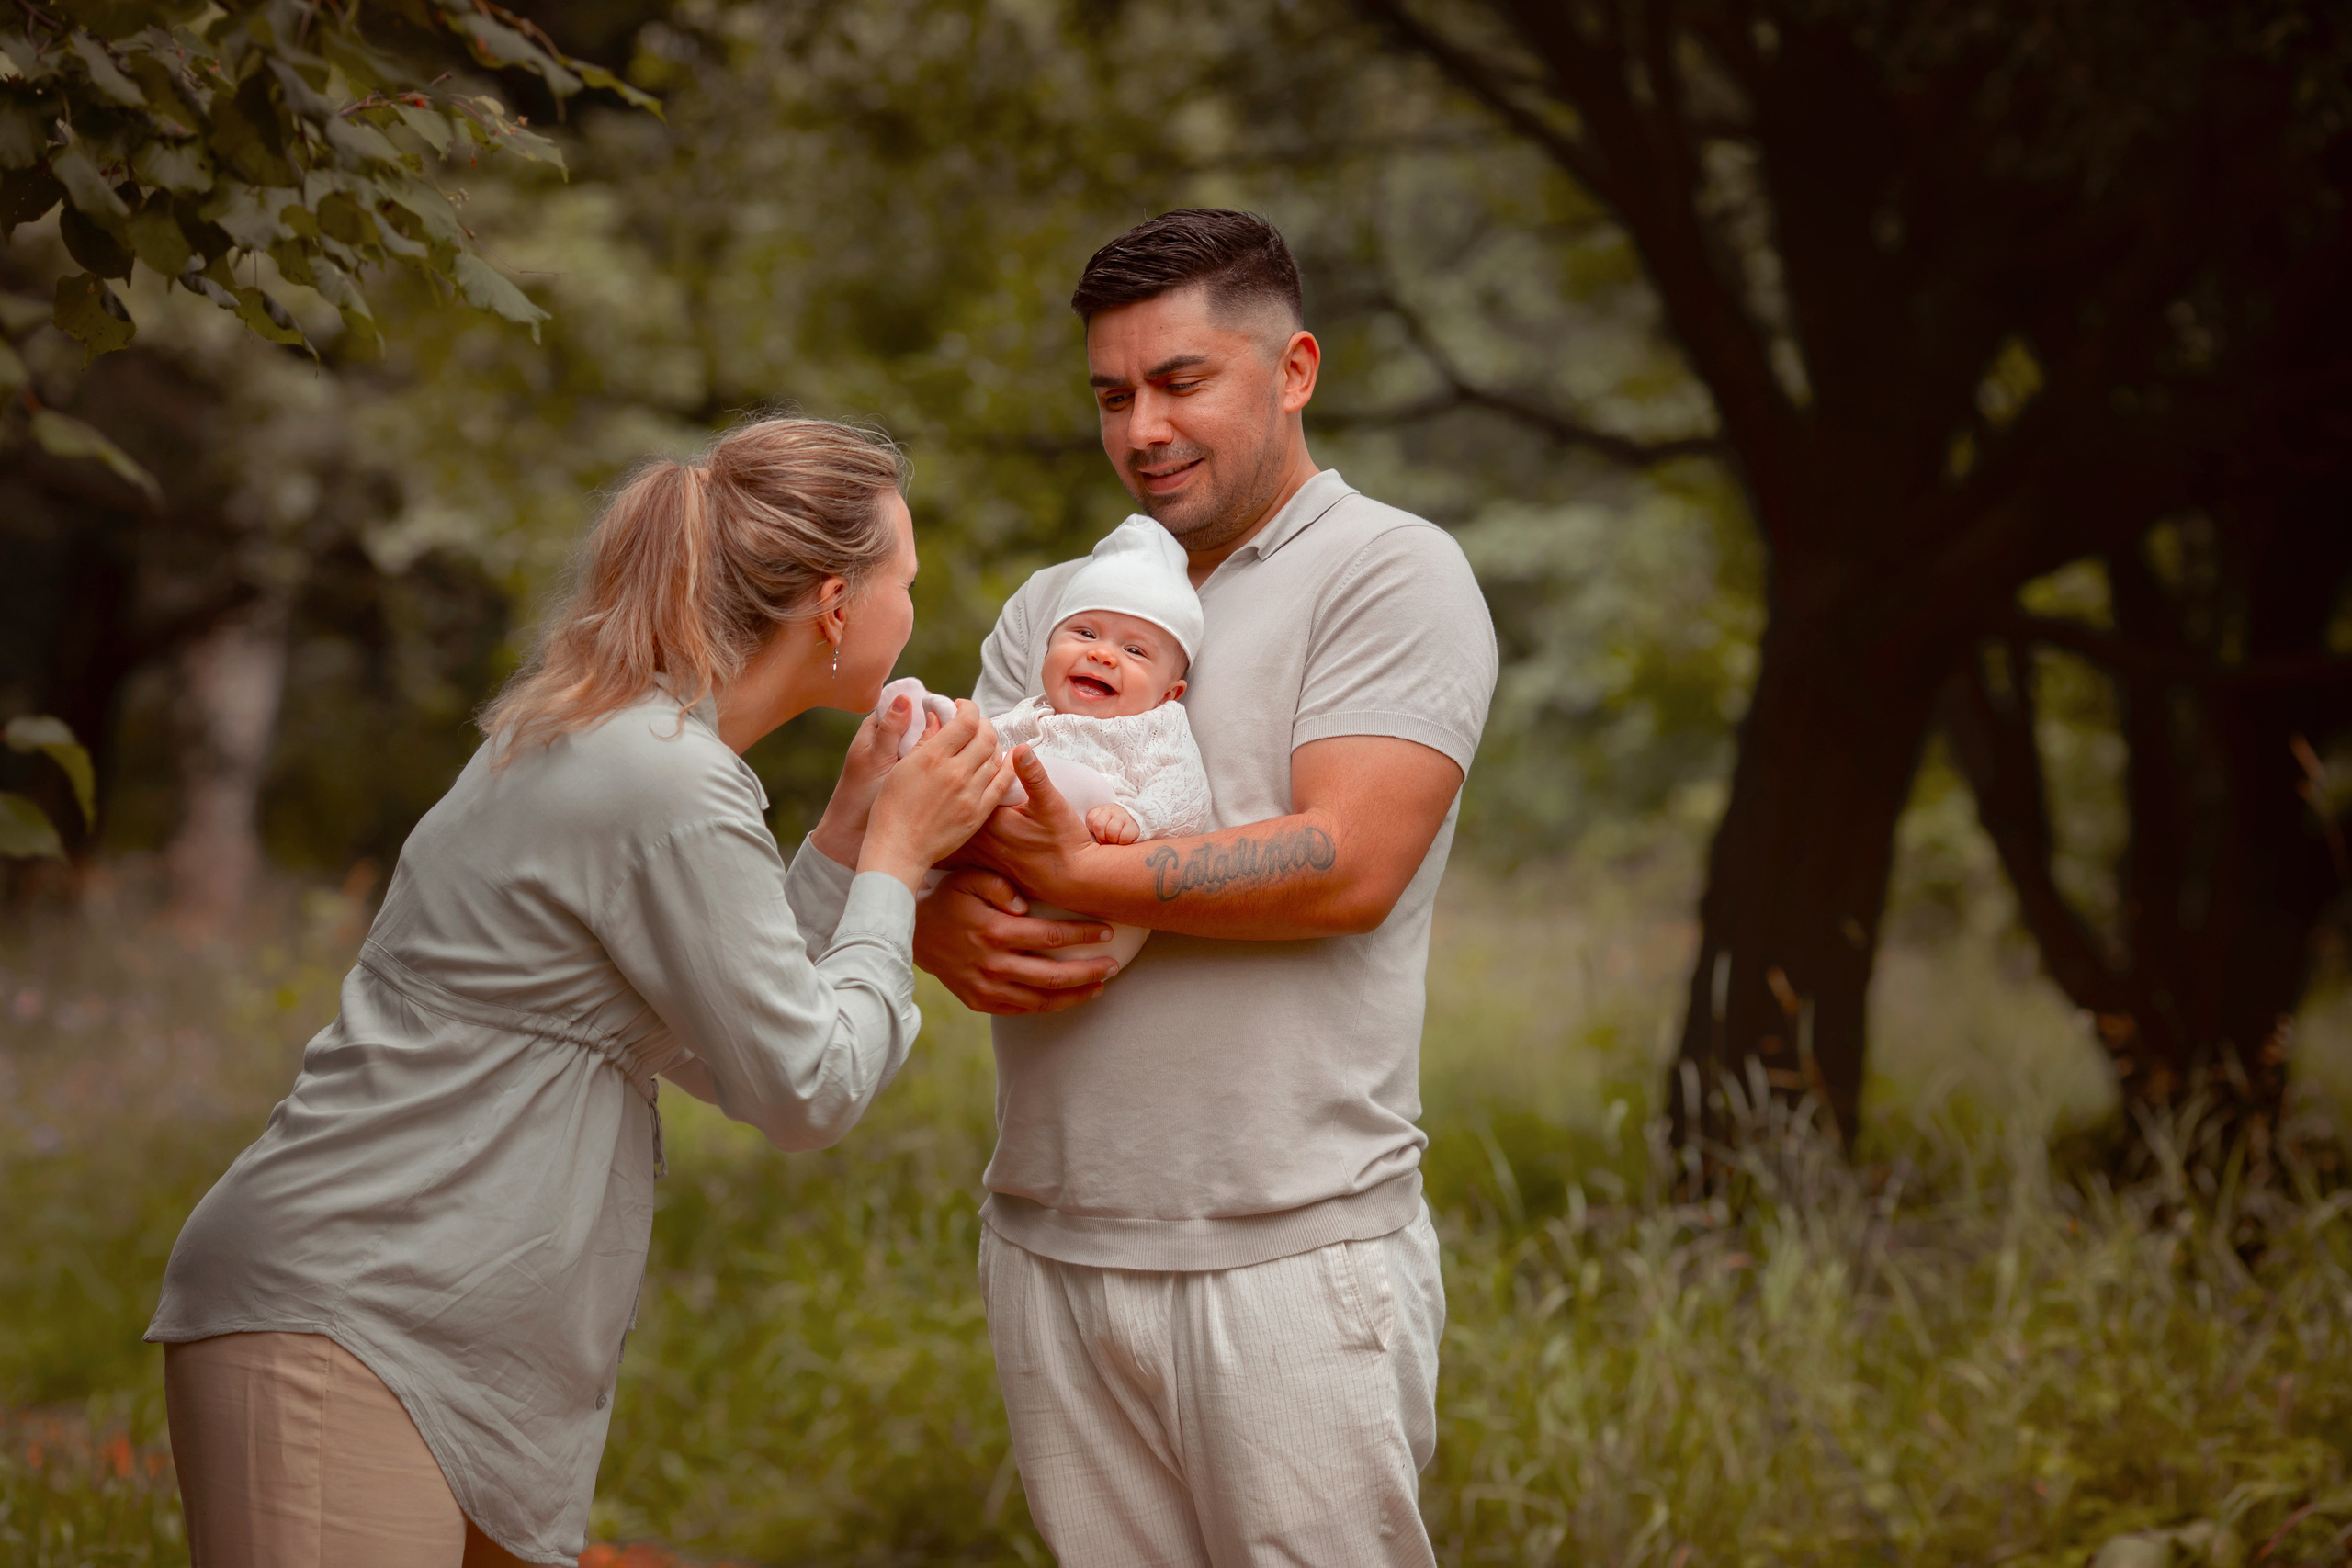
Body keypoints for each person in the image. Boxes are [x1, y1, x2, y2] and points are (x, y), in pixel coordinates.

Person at [145, 416, 1015, 1568]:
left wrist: (850, 840)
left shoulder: (625, 749)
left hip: (434, 1322)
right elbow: (809, 1088)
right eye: (906, 578)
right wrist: (898, 866)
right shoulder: (664, 779)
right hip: (354, 1316)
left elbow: (730, 1046)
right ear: (836, 604)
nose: (917, 608)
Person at [919, 209, 1498, 1565]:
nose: (1142, 429)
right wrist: (939, 915)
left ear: (1293, 368)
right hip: (1054, 1234)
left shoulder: (1390, 570)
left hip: (1288, 1250)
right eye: (1113, 394)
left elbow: (1348, 859)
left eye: (1182, 381)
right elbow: (973, 818)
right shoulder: (1064, 602)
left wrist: (1087, 869)